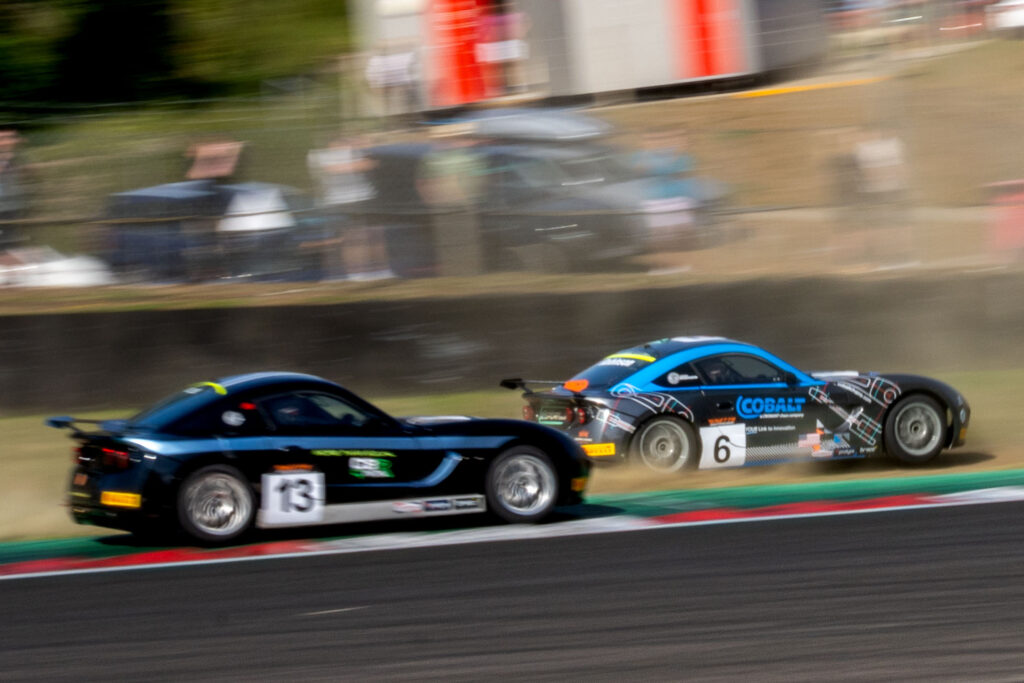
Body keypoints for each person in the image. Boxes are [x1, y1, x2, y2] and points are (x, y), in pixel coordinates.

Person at [307, 134, 393, 280]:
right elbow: (338, 168)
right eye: (341, 142)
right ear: (330, 144)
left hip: (366, 199)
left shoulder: (356, 152)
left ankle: (382, 271)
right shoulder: (319, 156)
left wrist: (361, 151)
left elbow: (373, 163)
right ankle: (357, 274)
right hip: (342, 203)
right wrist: (357, 157)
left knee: (376, 236)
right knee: (354, 239)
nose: (344, 145)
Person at [0, 130, 29, 247]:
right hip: (5, 208)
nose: (5, 142)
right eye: (2, 139)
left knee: (11, 242)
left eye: (9, 138)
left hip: (13, 209)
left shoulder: (20, 161)